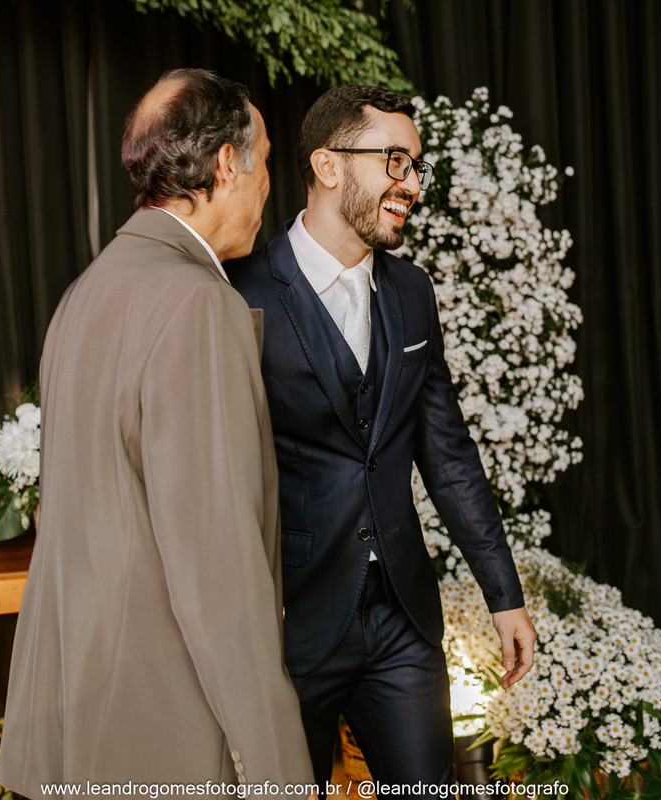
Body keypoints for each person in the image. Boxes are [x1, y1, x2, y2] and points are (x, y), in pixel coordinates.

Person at [0, 69, 313, 798]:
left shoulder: (86, 292)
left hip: (74, 720)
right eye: (265, 161)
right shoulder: (197, 304)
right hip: (163, 729)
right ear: (227, 164)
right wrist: (281, 774)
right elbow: (219, 569)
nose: (270, 186)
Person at [227, 85, 538, 793]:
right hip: (288, 625)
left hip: (401, 618)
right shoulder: (240, 292)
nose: (413, 185)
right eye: (395, 161)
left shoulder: (411, 292)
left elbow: (448, 454)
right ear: (328, 166)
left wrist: (504, 594)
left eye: (417, 166)